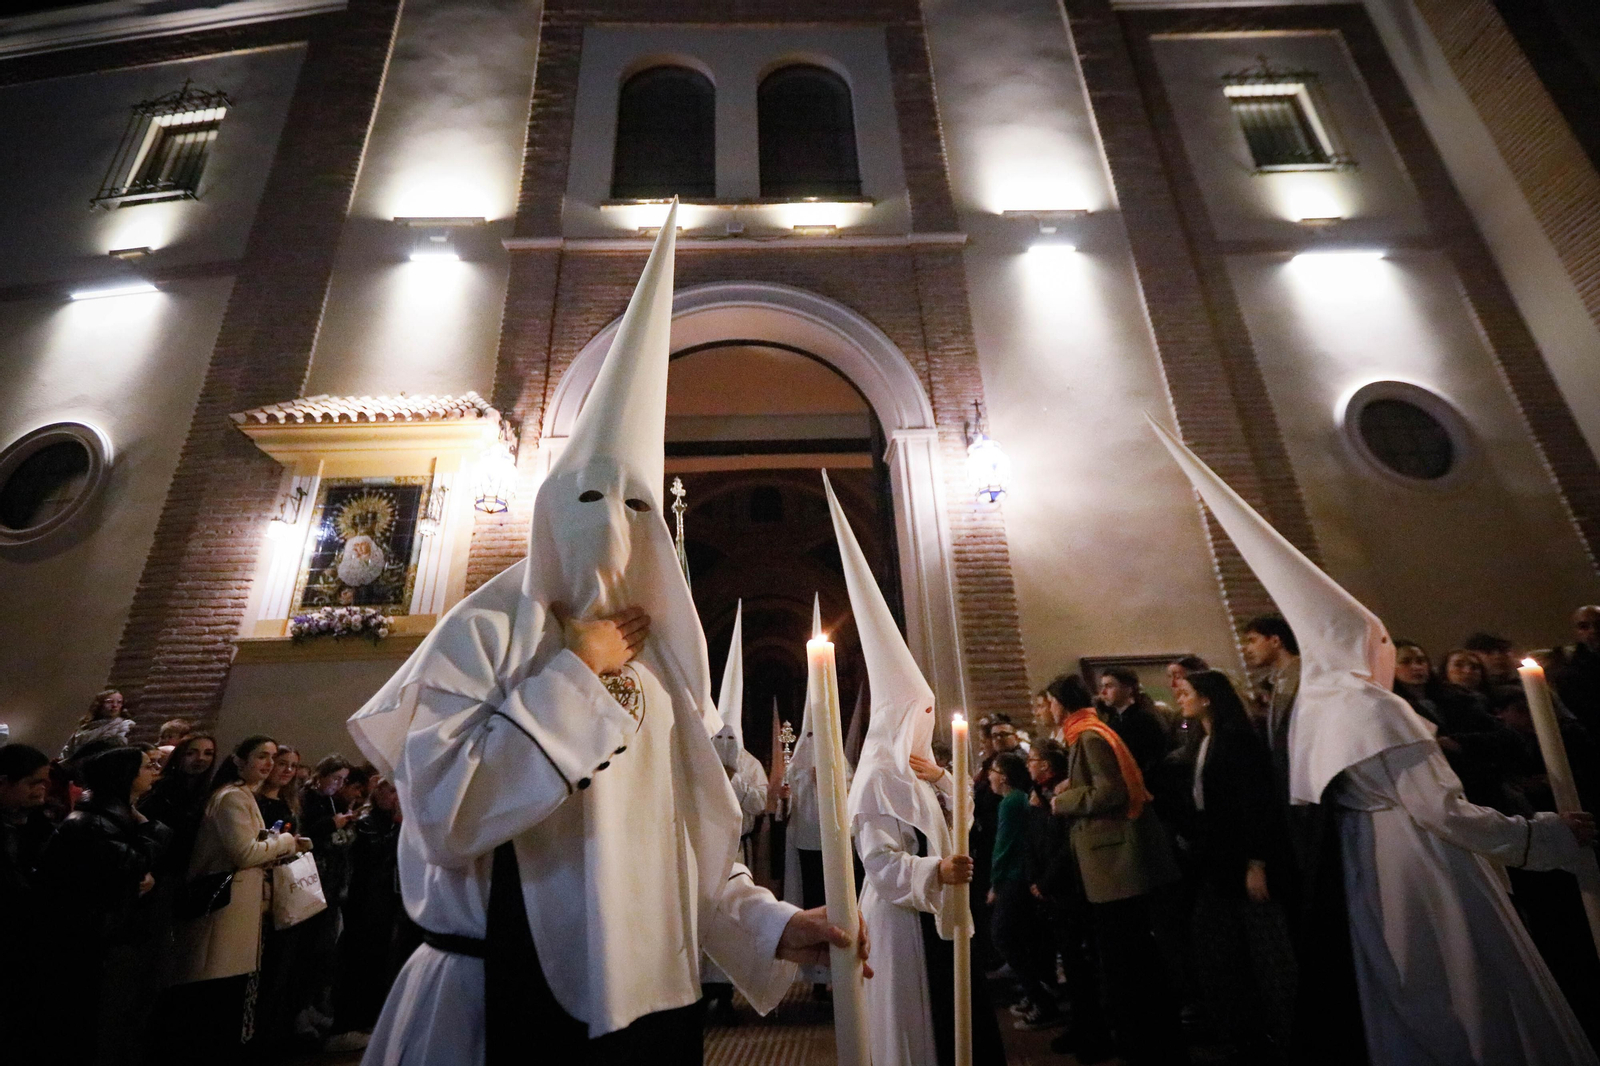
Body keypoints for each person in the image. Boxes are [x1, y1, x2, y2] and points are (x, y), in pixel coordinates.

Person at [347, 210, 861, 1066]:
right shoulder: (482, 634)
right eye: (587, 503)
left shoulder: (661, 662)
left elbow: (681, 839)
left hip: (652, 1005)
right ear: (549, 515)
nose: (613, 532)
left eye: (634, 507)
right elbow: (448, 819)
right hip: (492, 1005)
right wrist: (578, 672)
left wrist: (772, 924)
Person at [1152, 417, 1600, 1066]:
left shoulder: (1321, 708)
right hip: (1423, 869)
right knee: (1468, 997)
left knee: (1404, 998)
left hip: (1370, 870)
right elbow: (1441, 810)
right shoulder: (1371, 704)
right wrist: (1544, 835)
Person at [822, 469, 1005, 1066]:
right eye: (919, 713)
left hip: (942, 913)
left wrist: (948, 783)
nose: (926, 724)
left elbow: (962, 824)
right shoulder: (878, 779)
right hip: (905, 924)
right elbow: (879, 863)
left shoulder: (921, 772)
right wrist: (936, 870)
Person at [1048, 673, 1186, 1066]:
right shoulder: (1085, 733)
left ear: (1063, 702)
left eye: (1050, 701)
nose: (1048, 709)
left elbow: (1112, 790)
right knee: (1125, 957)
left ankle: (1147, 1046)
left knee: (1129, 960)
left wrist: (1066, 800)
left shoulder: (1090, 735)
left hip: (1116, 863)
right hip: (1107, 863)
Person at [1176, 670, 1297, 1064]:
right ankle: (1243, 1036)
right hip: (1215, 861)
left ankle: (1283, 1039)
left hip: (1242, 859)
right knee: (1219, 951)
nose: (1181, 697)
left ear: (1208, 697)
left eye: (1187, 692)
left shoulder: (1237, 739)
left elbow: (1255, 804)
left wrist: (1257, 861)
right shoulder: (1200, 740)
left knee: (1265, 953)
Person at [170, 735, 309, 1060]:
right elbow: (244, 853)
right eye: (262, 756)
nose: (270, 764)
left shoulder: (245, 795)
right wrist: (287, 841)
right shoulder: (232, 797)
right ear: (239, 760)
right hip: (226, 908)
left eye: (273, 758)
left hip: (242, 907)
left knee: (230, 996)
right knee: (215, 995)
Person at [35, 746, 168, 1065]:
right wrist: (152, 831)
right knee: (93, 1023)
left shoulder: (108, 815)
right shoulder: (94, 821)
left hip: (102, 935)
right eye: (147, 765)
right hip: (92, 939)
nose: (155, 770)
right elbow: (129, 865)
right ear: (125, 776)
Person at [1025, 739, 1112, 1062]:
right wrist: (1035, 878)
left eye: (1032, 760)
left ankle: (1096, 1032)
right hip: (1050, 890)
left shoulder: (1061, 794)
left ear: (1047, 765)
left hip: (1068, 890)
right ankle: (1080, 1024)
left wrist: (1046, 882)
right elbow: (1033, 840)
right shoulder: (1038, 796)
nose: (1028, 765)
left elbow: (1066, 844)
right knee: (1071, 966)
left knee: (1082, 966)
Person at [1392, 640, 1521, 809]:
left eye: (1421, 660)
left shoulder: (1458, 698)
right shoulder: (1394, 708)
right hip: (1444, 791)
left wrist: (1459, 742)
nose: (1416, 667)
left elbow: (1508, 736)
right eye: (1406, 662)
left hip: (1485, 783)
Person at [335, 776, 416, 1038]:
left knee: (384, 960)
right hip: (367, 902)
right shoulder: (366, 822)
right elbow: (375, 856)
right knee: (363, 960)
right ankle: (353, 1020)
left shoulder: (401, 823)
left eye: (397, 792)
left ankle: (376, 1016)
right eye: (389, 791)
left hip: (391, 901)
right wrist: (398, 825)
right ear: (377, 792)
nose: (394, 797)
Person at [986, 750, 1060, 1031]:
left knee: (1002, 936)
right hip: (1021, 877)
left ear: (1003, 776)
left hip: (1014, 879)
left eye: (994, 770)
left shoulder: (1011, 802)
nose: (990, 776)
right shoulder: (1015, 800)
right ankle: (1037, 994)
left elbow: (1004, 846)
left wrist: (995, 883)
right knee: (1022, 937)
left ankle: (1041, 999)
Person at [0, 743, 54, 1050]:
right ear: (4, 782)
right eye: (33, 782)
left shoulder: (37, 823)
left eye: (44, 781)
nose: (42, 789)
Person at [139, 734, 217, 883]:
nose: (200, 758)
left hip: (187, 872)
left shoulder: (208, 792)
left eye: (208, 753)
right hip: (159, 872)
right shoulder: (161, 790)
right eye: (191, 753)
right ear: (179, 755)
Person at [1095, 667, 1171, 777]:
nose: (1103, 692)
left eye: (1109, 686)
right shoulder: (1116, 718)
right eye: (1102, 686)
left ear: (1128, 689)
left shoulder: (1143, 719)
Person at [1549, 605, 1600, 731]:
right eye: (1584, 627)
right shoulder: (1570, 672)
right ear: (1577, 632)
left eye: (1598, 624)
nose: (1593, 631)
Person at [60, 689, 133, 761]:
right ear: (99, 704)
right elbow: (68, 750)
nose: (115, 705)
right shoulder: (85, 727)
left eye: (119, 702)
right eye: (109, 702)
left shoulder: (124, 726)